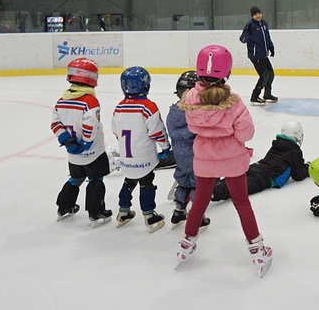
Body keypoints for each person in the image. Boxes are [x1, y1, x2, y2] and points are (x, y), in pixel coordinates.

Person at [175, 45, 273, 277]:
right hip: (232, 161)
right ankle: (256, 248)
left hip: (205, 159)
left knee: (199, 202)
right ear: (226, 72)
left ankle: (186, 243)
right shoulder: (233, 102)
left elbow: (192, 127)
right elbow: (245, 135)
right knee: (241, 203)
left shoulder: (190, 98)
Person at [51, 58, 113, 227]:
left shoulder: (62, 99)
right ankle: (96, 212)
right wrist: (85, 143)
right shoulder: (89, 101)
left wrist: (67, 140)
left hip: (73, 154)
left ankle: (64, 207)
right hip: (92, 152)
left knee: (75, 178)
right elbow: (91, 124)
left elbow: (55, 123)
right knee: (96, 179)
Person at [110, 66, 171, 232]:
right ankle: (150, 217)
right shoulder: (148, 107)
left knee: (128, 182)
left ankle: (123, 212)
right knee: (146, 183)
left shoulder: (119, 107)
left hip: (126, 158)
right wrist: (165, 148)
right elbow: (157, 131)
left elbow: (116, 130)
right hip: (144, 157)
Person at [211, 120, 308, 201]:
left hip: (257, 166)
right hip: (266, 177)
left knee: (235, 178)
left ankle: (210, 188)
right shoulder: (295, 151)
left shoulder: (277, 144)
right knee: (240, 188)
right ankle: (213, 193)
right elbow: (298, 175)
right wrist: (307, 169)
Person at [165, 70, 210, 231]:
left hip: (179, 154)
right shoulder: (195, 112)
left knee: (183, 181)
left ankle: (179, 211)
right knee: (198, 185)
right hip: (196, 155)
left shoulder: (173, 110)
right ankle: (198, 217)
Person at [239, 5, 276, 105]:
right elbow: (242, 39)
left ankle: (267, 94)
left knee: (271, 74)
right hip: (256, 56)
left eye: (259, 13)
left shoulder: (264, 23)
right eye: (255, 14)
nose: (258, 16)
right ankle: (255, 96)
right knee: (264, 76)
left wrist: (271, 47)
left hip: (264, 54)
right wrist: (248, 34)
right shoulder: (250, 25)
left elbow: (267, 37)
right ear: (252, 16)